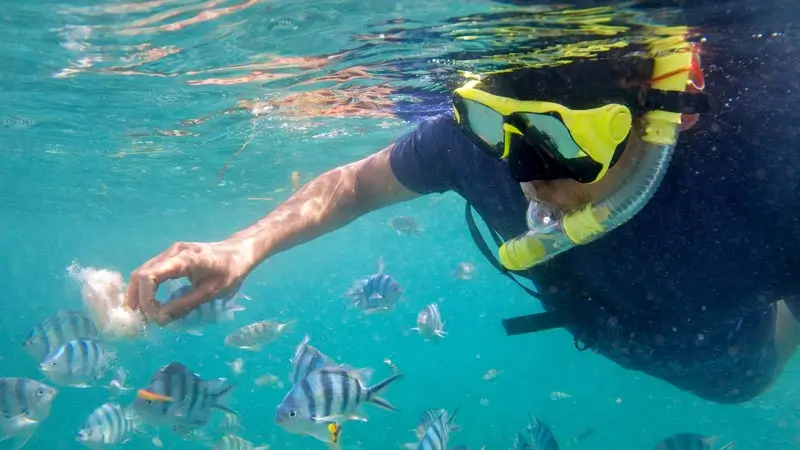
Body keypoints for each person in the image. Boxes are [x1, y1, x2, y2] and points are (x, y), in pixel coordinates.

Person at [124, 30, 800, 405]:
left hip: (730, 363)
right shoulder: (476, 147)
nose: (527, 177)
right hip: (611, 327)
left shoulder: (772, 179)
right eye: (496, 131)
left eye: (564, 142)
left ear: (664, 112)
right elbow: (354, 185)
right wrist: (244, 247)